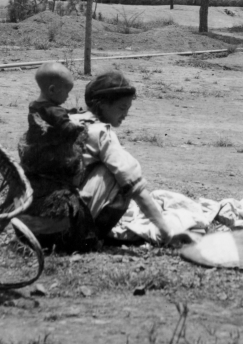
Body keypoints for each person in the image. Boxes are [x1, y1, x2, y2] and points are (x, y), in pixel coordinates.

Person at [75, 70, 175, 244]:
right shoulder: (101, 132)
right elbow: (133, 184)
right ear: (103, 104)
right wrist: (165, 231)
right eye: (122, 108)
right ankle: (89, 236)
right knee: (119, 172)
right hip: (74, 226)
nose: (125, 114)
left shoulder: (70, 120)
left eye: (128, 109)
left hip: (41, 218)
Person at [17, 62, 97, 251]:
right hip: (52, 162)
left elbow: (54, 118)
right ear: (53, 90)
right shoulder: (54, 110)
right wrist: (80, 125)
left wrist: (70, 113)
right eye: (66, 92)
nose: (68, 96)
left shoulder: (37, 106)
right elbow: (66, 128)